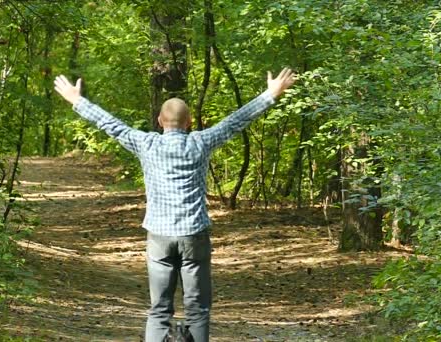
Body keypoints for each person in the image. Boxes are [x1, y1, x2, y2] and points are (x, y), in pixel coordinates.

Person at [54, 68, 295, 342]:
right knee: (198, 310)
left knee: (159, 310)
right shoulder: (200, 142)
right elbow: (235, 121)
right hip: (194, 235)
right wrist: (271, 94)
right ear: (190, 121)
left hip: (159, 236)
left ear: (159, 120)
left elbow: (111, 124)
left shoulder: (146, 143)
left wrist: (77, 100)